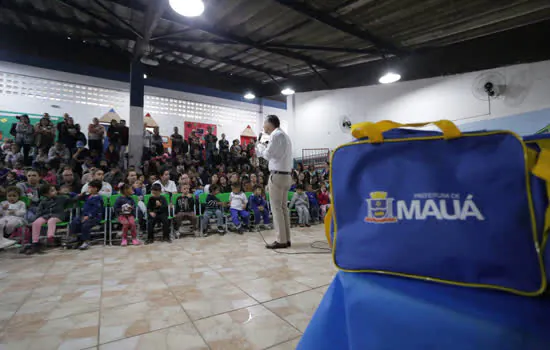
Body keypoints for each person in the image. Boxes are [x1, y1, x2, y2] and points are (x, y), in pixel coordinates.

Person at [256, 115, 293, 249]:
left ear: (270, 124)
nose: (263, 126)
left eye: (264, 123)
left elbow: (267, 155)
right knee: (283, 208)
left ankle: (281, 240)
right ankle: (286, 238)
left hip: (277, 176)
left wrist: (260, 146)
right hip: (287, 175)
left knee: (277, 208)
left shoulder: (275, 135)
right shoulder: (285, 136)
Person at [25, 184, 75, 254]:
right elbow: (39, 212)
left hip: (58, 216)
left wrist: (68, 193)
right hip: (46, 216)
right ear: (46, 194)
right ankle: (35, 243)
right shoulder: (43, 201)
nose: (55, 192)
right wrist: (36, 219)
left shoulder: (62, 198)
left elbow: (73, 200)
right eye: (52, 191)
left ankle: (50, 237)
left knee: (51, 221)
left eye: (54, 190)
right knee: (36, 223)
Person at [69, 180, 103, 250]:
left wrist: (89, 216)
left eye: (90, 187)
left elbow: (96, 209)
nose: (88, 189)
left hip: (94, 217)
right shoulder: (87, 196)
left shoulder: (98, 198)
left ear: (95, 188)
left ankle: (86, 241)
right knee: (75, 220)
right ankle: (74, 237)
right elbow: (77, 196)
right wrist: (70, 193)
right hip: (84, 215)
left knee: (85, 224)